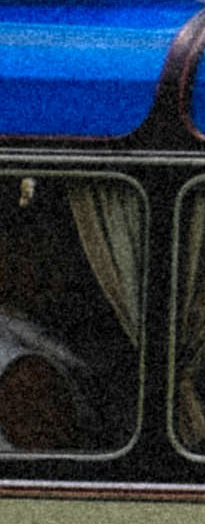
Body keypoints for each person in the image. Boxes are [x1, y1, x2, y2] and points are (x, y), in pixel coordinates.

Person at [0, 187, 109, 456]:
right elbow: (55, 462)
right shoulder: (24, 373)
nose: (61, 271)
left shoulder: (33, 330)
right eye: (33, 253)